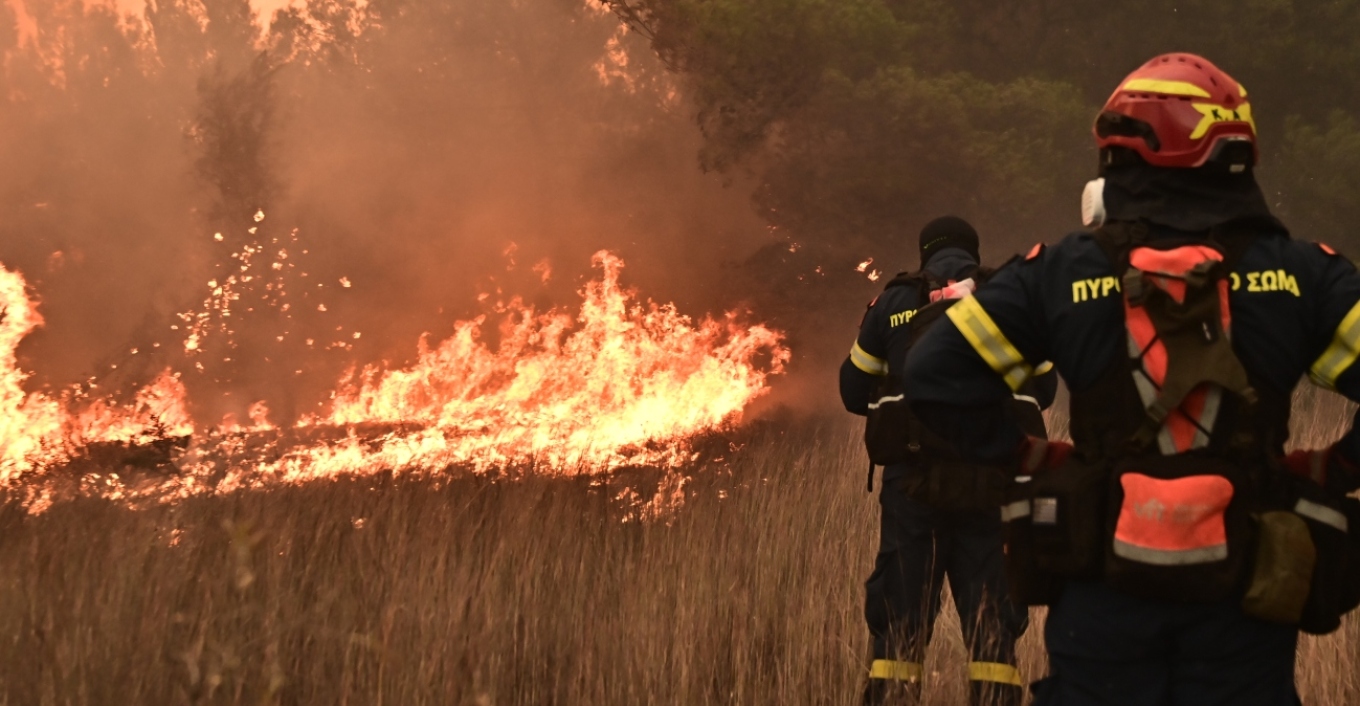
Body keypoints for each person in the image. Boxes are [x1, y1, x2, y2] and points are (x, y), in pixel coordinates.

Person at [902, 52, 1360, 705]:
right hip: (1247, 594)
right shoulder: (1302, 276)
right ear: (1234, 149)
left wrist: (1024, 453)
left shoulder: (1060, 272)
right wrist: (1337, 467)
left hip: (1102, 586)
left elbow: (934, 370)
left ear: (1120, 156)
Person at [841, 216, 1054, 706]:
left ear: (924, 255)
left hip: (913, 488)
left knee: (899, 628)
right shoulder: (1009, 295)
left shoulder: (892, 302)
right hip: (993, 483)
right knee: (993, 631)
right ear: (974, 254)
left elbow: (853, 391)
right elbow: (1044, 388)